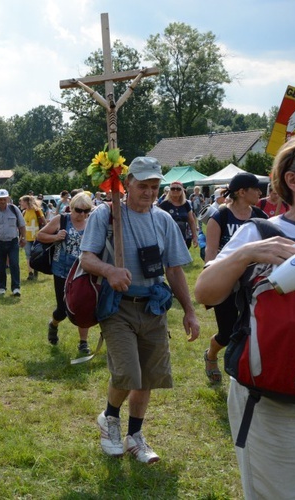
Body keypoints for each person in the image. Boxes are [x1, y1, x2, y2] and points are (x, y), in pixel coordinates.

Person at [194, 135, 295, 499]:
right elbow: (205, 292)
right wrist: (246, 254)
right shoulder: (262, 232)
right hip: (271, 399)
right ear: (294, 180)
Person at [80, 156, 200, 463]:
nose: (148, 192)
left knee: (148, 376)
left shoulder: (163, 220)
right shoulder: (107, 215)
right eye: (142, 185)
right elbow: (86, 258)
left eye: (153, 186)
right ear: (126, 183)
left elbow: (174, 270)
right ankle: (109, 420)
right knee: (128, 374)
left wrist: (189, 310)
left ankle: (135, 436)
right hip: (118, 306)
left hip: (153, 305)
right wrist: (109, 270)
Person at [202, 173, 267, 383]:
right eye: (256, 189)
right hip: (226, 282)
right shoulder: (220, 217)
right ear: (241, 192)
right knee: (227, 332)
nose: (260, 192)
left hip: (252, 283)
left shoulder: (259, 216)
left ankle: (245, 373)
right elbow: (211, 252)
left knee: (253, 328)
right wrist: (211, 282)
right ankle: (211, 353)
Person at [36, 192, 94, 355]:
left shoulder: (91, 223)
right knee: (62, 309)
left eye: (86, 210)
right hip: (61, 270)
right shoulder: (61, 220)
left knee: (84, 306)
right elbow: (40, 235)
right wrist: (55, 237)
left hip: (83, 271)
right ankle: (53, 324)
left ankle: (83, 342)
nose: (81, 214)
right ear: (71, 207)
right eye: (78, 210)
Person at [0, 189, 26, 296]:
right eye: (0, 199)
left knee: (14, 264)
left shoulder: (14, 209)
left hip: (12, 242)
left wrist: (23, 237)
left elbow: (21, 225)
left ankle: (16, 288)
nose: (2, 201)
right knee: (0, 266)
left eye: (4, 199)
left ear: (8, 198)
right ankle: (2, 287)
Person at [157, 181, 198, 248]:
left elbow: (191, 221)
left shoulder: (186, 204)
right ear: (169, 190)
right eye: (173, 188)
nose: (175, 190)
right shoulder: (164, 204)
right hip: (168, 238)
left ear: (182, 190)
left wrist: (194, 236)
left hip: (183, 237)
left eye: (178, 189)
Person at [19, 195, 46, 281]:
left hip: (36, 237)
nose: (20, 203)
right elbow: (23, 226)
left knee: (36, 255)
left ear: (27, 202)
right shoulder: (24, 212)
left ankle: (36, 270)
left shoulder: (37, 211)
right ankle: (30, 273)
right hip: (27, 237)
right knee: (28, 255)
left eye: (22, 201)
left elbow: (44, 223)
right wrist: (21, 237)